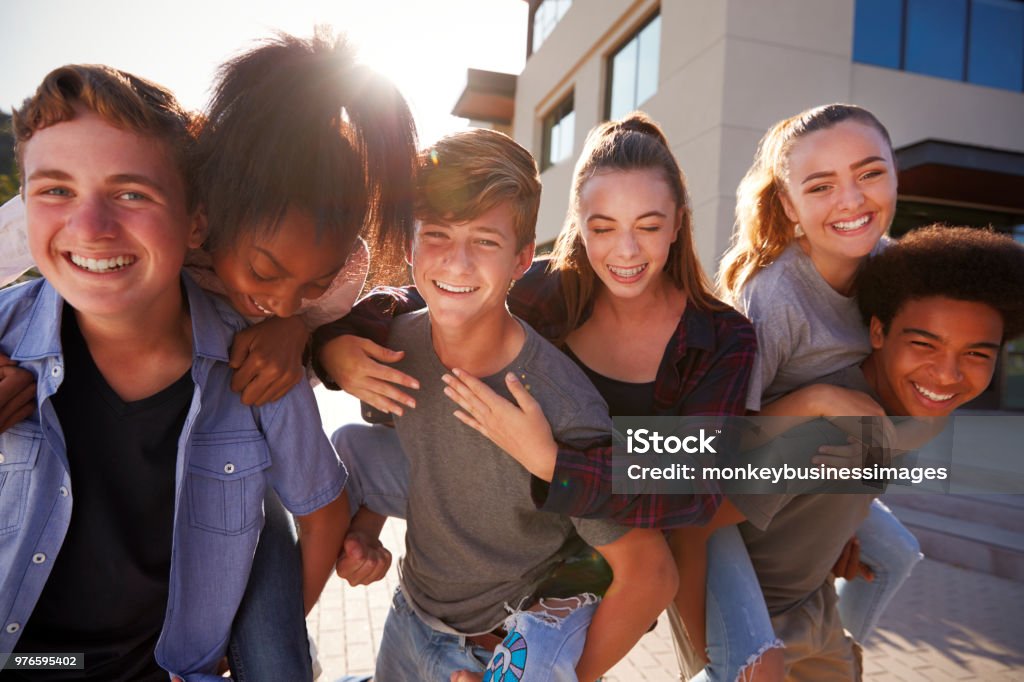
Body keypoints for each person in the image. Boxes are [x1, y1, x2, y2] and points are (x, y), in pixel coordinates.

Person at [0, 31, 418, 680]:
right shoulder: (158, 190)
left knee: (274, 640)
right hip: (35, 654)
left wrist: (303, 337)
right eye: (265, 273)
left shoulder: (325, 281)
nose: (279, 303)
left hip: (213, 546)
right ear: (210, 215)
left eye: (132, 194)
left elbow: (314, 315)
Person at [314, 114, 758, 678]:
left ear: (678, 224)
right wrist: (332, 346)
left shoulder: (719, 337)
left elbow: (694, 486)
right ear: (579, 225)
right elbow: (428, 299)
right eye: (602, 227)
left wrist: (552, 461)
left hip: (658, 527)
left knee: (754, 666)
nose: (624, 250)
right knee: (355, 445)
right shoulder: (547, 289)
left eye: (647, 225)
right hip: (486, 549)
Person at [676, 225, 1024, 680]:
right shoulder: (824, 432)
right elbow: (688, 525)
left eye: (977, 354)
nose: (946, 375)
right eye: (924, 344)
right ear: (877, 331)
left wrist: (839, 521)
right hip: (760, 620)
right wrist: (712, 659)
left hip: (817, 611)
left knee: (896, 553)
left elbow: (860, 478)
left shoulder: (926, 416)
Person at [664, 104, 921, 682]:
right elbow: (720, 447)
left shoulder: (893, 267)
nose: (852, 200)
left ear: (895, 174)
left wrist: (841, 516)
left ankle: (838, 645)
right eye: (821, 185)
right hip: (726, 498)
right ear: (788, 204)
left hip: (816, 481)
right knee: (742, 662)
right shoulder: (773, 296)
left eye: (870, 173)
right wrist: (816, 401)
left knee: (897, 554)